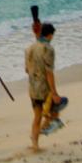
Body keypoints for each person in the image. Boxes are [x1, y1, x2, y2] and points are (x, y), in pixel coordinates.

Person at [25, 23, 63, 152]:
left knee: (37, 116)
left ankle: (35, 143)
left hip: (32, 87)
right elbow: (49, 73)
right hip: (44, 89)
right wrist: (55, 93)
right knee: (53, 114)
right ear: (50, 34)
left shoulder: (29, 48)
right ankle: (42, 131)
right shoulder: (48, 49)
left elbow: (26, 69)